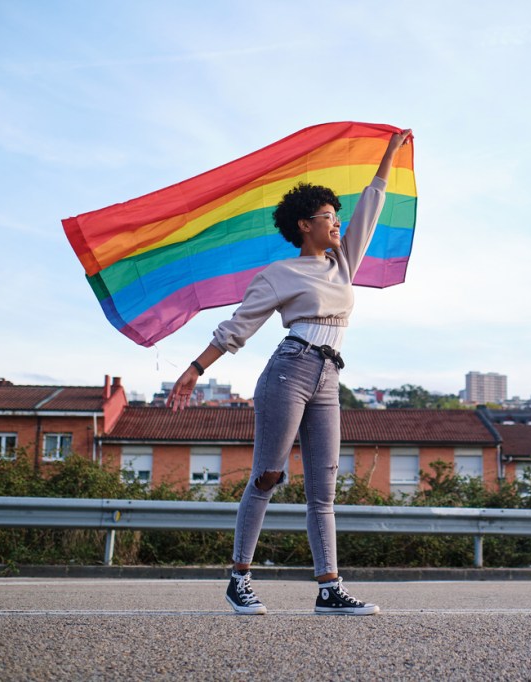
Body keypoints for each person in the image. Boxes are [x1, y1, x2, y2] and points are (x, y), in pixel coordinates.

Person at [167, 128, 413, 616]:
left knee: (323, 487)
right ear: (305, 225)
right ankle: (239, 578)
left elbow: (371, 206)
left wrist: (389, 155)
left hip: (329, 379)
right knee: (269, 475)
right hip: (289, 371)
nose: (338, 224)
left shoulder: (344, 264)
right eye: (328, 218)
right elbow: (239, 327)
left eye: (338, 219)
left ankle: (328, 589)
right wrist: (195, 369)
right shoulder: (279, 274)